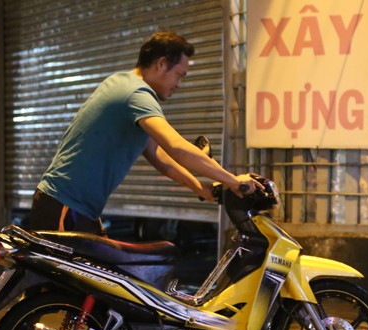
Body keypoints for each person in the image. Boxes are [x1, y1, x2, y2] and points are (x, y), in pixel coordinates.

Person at [28, 30, 261, 234]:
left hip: (72, 206)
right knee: (73, 284)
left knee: (106, 280)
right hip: (65, 205)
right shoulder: (136, 93)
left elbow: (158, 155)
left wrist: (199, 187)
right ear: (161, 64)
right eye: (179, 75)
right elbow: (176, 146)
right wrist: (233, 181)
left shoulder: (123, 83)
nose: (179, 84)